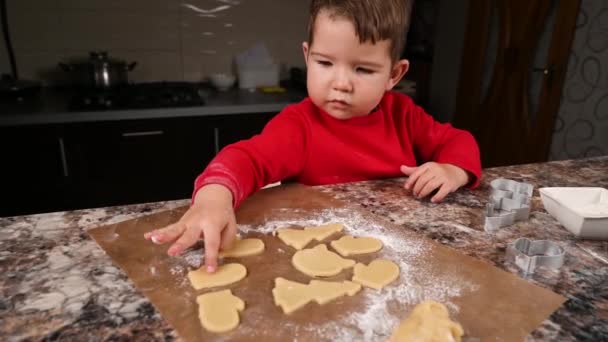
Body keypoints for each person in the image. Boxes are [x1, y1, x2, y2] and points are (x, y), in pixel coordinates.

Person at [144, 0, 481, 273]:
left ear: (394, 74)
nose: (341, 83)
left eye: (362, 69)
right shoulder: (299, 126)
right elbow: (246, 159)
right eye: (325, 63)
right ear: (307, 57)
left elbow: (457, 141)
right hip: (321, 260)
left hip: (398, 255)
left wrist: (453, 169)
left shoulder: (404, 116)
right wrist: (214, 197)